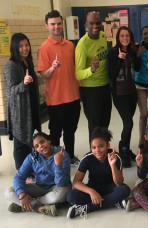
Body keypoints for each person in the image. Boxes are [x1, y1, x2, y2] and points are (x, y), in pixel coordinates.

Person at [37, 10, 81, 165]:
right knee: (55, 133)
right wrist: (52, 67)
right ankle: (54, 160)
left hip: (73, 97)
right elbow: (44, 75)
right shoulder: (44, 47)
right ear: (47, 26)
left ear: (62, 24)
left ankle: (69, 156)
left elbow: (77, 67)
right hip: (55, 99)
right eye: (53, 24)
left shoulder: (70, 45)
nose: (56, 27)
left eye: (58, 23)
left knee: (71, 130)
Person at [66, 127, 130, 219]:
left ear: (108, 145)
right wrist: (92, 192)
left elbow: (119, 183)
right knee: (71, 196)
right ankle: (114, 202)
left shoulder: (116, 157)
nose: (97, 150)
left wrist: (112, 165)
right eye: (94, 147)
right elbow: (76, 182)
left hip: (111, 187)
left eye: (101, 146)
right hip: (93, 186)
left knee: (124, 190)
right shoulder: (87, 158)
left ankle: (88, 208)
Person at [5, 132, 71, 217]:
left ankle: (26, 205)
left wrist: (58, 164)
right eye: (37, 146)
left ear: (48, 140)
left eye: (42, 142)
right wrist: (21, 195)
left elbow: (62, 183)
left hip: (57, 188)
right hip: (40, 187)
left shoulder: (62, 154)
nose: (41, 146)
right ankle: (40, 208)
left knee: (61, 195)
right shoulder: (32, 157)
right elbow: (19, 177)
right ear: (35, 149)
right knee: (9, 191)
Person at [4, 33, 41, 170]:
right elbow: (11, 90)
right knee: (21, 144)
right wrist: (24, 83)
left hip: (30, 108)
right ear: (14, 47)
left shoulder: (27, 61)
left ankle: (29, 170)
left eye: (26, 45)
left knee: (29, 141)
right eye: (20, 46)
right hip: (19, 112)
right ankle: (22, 173)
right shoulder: (10, 66)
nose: (25, 48)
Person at [75, 11, 112, 142]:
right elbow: (78, 74)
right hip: (90, 90)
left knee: (105, 123)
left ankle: (105, 150)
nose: (95, 26)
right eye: (91, 23)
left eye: (97, 22)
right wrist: (91, 69)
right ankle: (94, 154)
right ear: (86, 24)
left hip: (105, 86)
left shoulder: (103, 36)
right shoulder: (82, 45)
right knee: (95, 126)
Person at [108, 26, 140, 168]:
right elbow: (112, 75)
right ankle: (124, 152)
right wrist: (120, 59)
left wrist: (136, 53)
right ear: (118, 38)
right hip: (119, 93)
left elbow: (138, 68)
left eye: (127, 36)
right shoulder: (113, 52)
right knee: (128, 123)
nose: (125, 38)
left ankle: (124, 148)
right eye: (122, 36)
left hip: (131, 93)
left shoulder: (132, 51)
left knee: (128, 123)